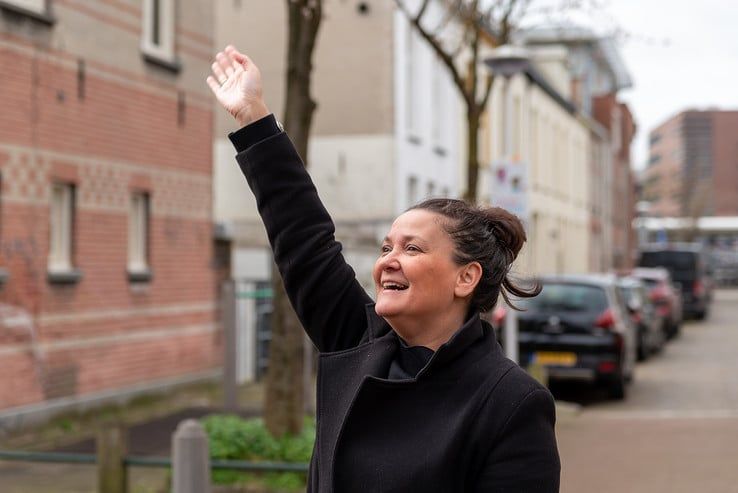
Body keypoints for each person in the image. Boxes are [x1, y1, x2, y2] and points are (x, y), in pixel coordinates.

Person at [207, 45, 560, 493]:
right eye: (386, 246)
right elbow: (303, 237)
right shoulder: (356, 340)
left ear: (465, 277)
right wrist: (254, 118)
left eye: (412, 249)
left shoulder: (511, 401)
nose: (388, 261)